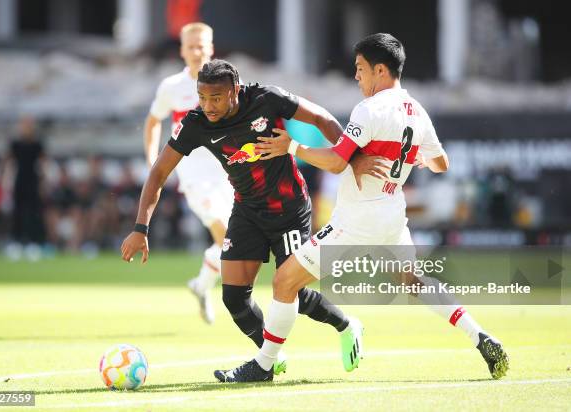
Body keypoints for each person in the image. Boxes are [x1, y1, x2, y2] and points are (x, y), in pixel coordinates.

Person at [216, 33, 509, 382]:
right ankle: (480, 336)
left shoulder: (369, 109)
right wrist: (408, 161)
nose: (356, 77)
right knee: (413, 281)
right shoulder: (417, 110)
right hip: (392, 214)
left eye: (359, 69)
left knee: (284, 281)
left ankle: (263, 365)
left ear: (380, 70)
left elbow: (339, 163)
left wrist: (292, 147)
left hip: (358, 219)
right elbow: (441, 162)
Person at [122, 59, 366, 376]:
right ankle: (270, 358)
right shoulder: (196, 123)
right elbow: (158, 172)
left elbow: (322, 118)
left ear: (235, 90)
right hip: (247, 211)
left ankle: (346, 326)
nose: (208, 105)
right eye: (202, 97)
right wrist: (140, 228)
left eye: (216, 98)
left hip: (288, 209)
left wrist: (349, 159)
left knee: (296, 292)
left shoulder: (267, 98)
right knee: (234, 297)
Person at [144, 23, 232, 324]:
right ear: (182, 50)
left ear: (211, 47)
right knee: (224, 232)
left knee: (235, 241)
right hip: (196, 179)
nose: (196, 52)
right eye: (191, 46)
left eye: (201, 46)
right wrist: (153, 162)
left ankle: (202, 284)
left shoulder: (228, 82)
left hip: (230, 174)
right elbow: (153, 121)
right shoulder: (172, 87)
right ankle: (215, 290)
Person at [0, 116, 47, 250]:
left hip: (33, 180)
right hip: (20, 180)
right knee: (18, 212)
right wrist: (4, 179)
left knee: (33, 213)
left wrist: (43, 182)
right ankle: (16, 241)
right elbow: (6, 160)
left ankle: (34, 242)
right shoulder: (15, 143)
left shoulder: (37, 143)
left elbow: (43, 163)